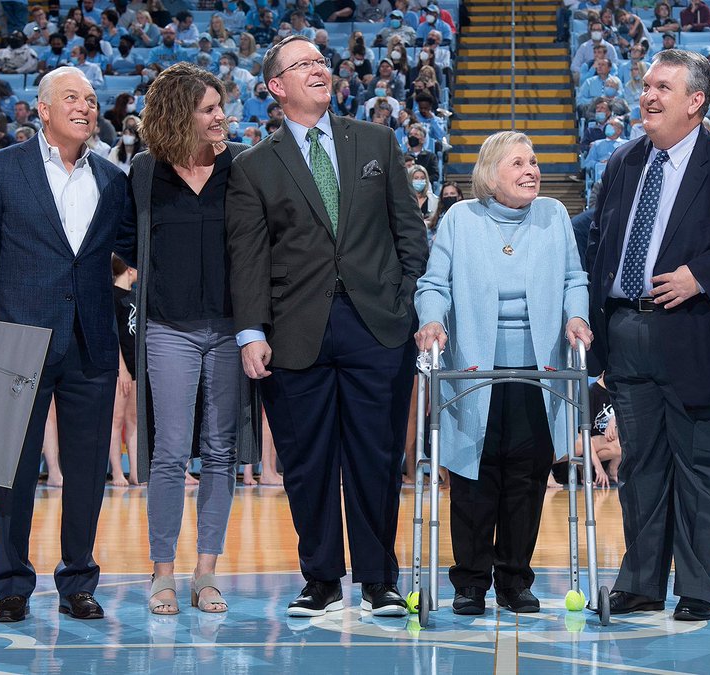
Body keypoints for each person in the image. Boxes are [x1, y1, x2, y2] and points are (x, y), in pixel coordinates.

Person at [226, 34, 427, 617]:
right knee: (307, 461)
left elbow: (408, 234)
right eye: (302, 64)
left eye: (320, 60)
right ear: (276, 86)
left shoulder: (378, 141)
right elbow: (248, 257)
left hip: (377, 326)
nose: (318, 69)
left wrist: (408, 302)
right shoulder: (253, 165)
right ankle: (320, 578)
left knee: (377, 456)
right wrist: (250, 331)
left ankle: (378, 577)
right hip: (293, 332)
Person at [585, 49, 710, 622]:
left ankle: (697, 588)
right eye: (645, 85)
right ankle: (642, 582)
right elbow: (602, 247)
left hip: (701, 337)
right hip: (627, 330)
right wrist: (600, 328)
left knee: (702, 469)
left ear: (695, 101)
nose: (647, 95)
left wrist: (703, 275)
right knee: (640, 465)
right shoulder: (623, 161)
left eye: (663, 87)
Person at [0, 66, 131, 624]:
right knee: (16, 469)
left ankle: (78, 579)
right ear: (44, 110)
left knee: (84, 472)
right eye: (72, 97)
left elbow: (125, 253)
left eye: (92, 99)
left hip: (92, 342)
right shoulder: (1, 168)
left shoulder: (113, 178)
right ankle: (11, 583)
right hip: (17, 339)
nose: (85, 106)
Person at [414, 131, 591, 615]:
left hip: (538, 371)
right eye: (518, 163)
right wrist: (431, 318)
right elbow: (434, 283)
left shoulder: (554, 215)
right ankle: (470, 582)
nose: (532, 169)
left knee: (527, 478)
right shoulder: (459, 219)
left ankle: (515, 580)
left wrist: (577, 315)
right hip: (474, 370)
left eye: (534, 161)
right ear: (491, 176)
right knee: (473, 477)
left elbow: (576, 278)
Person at [115, 61, 247, 616]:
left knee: (221, 452)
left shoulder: (241, 165)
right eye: (210, 109)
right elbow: (123, 247)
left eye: (221, 107)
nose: (222, 117)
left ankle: (207, 572)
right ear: (179, 116)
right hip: (168, 327)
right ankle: (163, 572)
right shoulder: (145, 172)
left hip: (229, 330)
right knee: (168, 452)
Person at [108, 256, 139, 487]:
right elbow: (115, 336)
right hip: (121, 368)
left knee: (134, 419)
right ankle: (117, 472)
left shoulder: (135, 296)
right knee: (116, 419)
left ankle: (137, 472)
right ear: (129, 269)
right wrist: (122, 369)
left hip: (136, 365)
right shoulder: (113, 297)